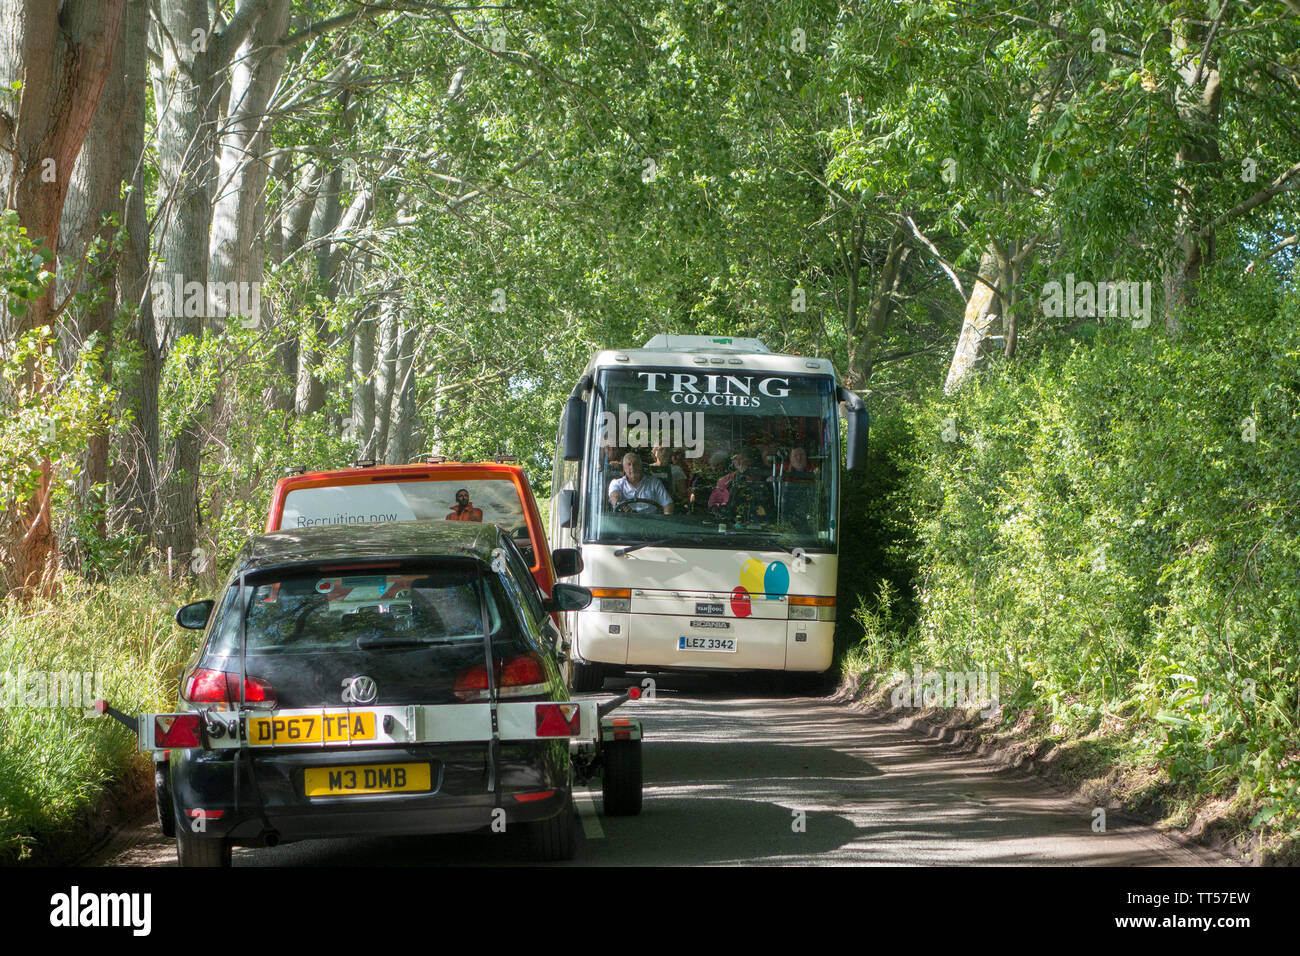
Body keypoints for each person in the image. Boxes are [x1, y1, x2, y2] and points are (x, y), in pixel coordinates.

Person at [708, 450, 771, 516]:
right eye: (736, 459)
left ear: (750, 461)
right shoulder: (725, 480)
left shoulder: (762, 476)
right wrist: (716, 509)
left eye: (743, 459)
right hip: (732, 516)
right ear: (733, 463)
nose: (740, 462)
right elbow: (715, 502)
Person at [608, 452, 673, 514]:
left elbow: (667, 504)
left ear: (640, 466)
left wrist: (667, 521)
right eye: (629, 464)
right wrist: (619, 504)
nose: (632, 467)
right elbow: (613, 496)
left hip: (650, 522)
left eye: (635, 464)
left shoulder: (654, 483)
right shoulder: (616, 483)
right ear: (624, 468)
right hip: (625, 521)